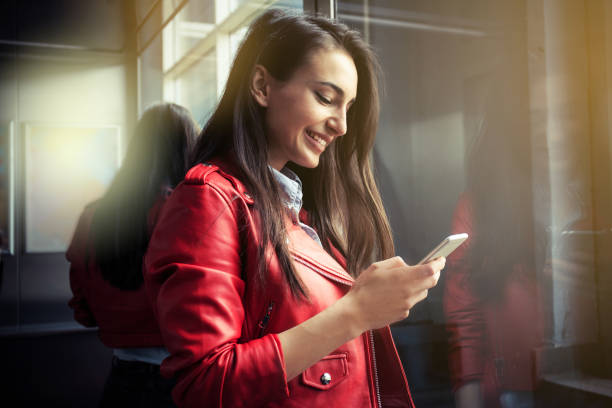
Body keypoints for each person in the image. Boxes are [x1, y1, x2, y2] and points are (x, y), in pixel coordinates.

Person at [144, 9, 445, 408]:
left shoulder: (290, 209)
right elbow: (205, 384)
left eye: (348, 108)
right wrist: (356, 311)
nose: (341, 125)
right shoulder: (208, 200)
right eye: (325, 97)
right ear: (261, 86)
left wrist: (369, 300)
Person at [67, 103, 199, 408]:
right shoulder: (191, 212)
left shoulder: (92, 215)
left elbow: (82, 309)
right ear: (190, 148)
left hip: (123, 378)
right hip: (184, 380)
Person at [443, 73, 544, 408]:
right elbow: (464, 316)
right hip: (510, 390)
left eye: (565, 113)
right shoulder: (478, 206)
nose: (552, 129)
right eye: (536, 116)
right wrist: (469, 394)